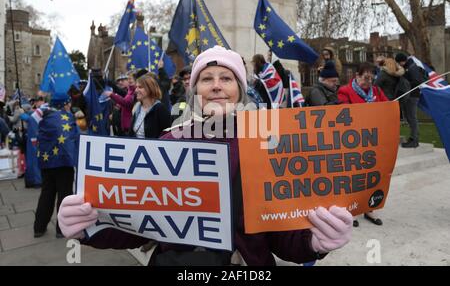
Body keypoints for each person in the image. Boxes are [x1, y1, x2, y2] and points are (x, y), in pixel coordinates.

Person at [58, 46, 353, 266]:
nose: (216, 85)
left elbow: (278, 233)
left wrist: (314, 240)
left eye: (226, 78)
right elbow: (138, 227)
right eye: (206, 78)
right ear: (194, 91)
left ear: (240, 89)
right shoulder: (168, 142)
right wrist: (90, 227)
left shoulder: (267, 143)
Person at [338, 63, 388, 227]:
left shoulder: (377, 91)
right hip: (352, 141)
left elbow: (386, 107)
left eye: (371, 78)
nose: (368, 82)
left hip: (371, 141)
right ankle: (350, 209)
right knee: (352, 176)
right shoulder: (345, 91)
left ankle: (368, 208)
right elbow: (343, 114)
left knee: (370, 175)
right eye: (365, 78)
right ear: (357, 76)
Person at [33, 94, 79, 238]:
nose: (70, 106)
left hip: (46, 162)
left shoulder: (43, 116)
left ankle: (39, 228)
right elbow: (76, 137)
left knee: (46, 194)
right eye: (69, 103)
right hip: (64, 162)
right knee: (65, 195)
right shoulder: (68, 117)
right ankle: (61, 229)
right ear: (65, 104)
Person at [395, 53, 428, 148]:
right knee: (410, 117)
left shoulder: (411, 67)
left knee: (411, 117)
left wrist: (406, 84)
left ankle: (414, 140)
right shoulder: (408, 66)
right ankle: (413, 138)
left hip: (412, 96)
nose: (398, 65)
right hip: (409, 95)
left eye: (398, 62)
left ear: (401, 61)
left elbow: (417, 81)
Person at [129, 73, 171, 139]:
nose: (136, 90)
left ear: (150, 88)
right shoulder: (137, 108)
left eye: (140, 87)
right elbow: (131, 133)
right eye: (136, 87)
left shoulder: (160, 109)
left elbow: (168, 134)